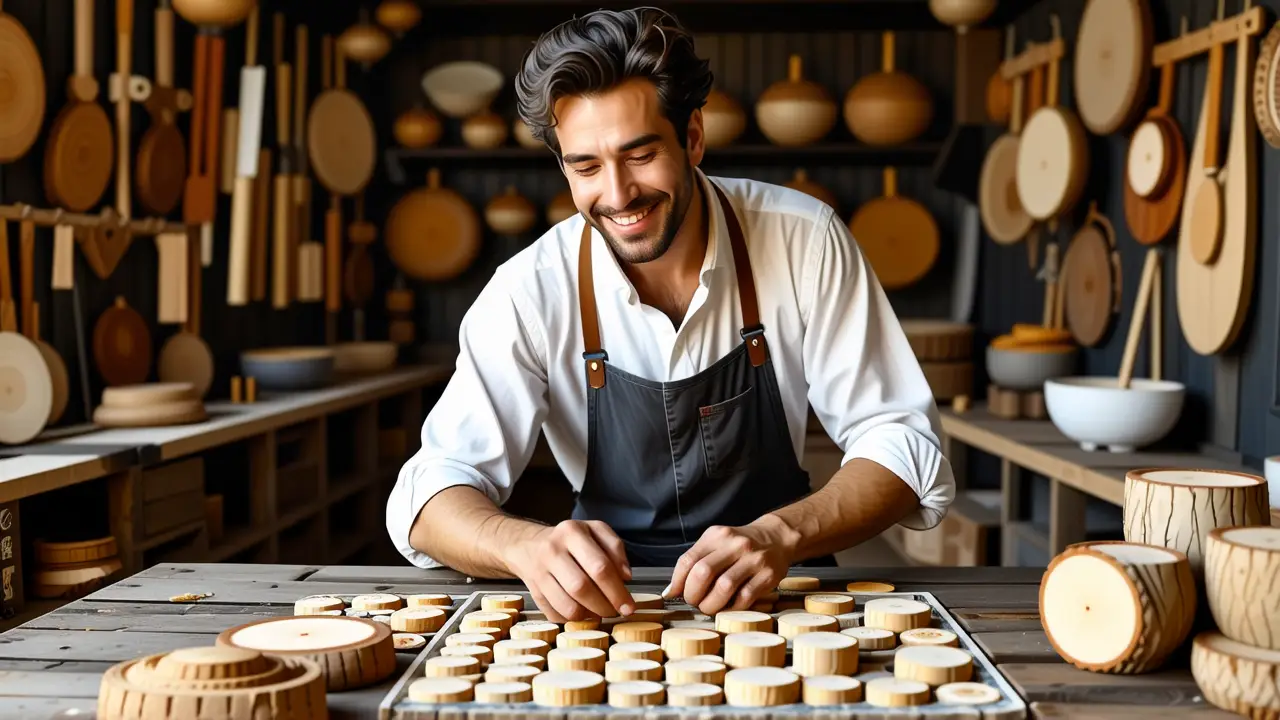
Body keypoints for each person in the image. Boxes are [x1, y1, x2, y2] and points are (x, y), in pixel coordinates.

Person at [386, 6, 955, 622]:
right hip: (609, 609)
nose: (618, 193)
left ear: (692, 137)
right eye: (586, 167)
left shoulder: (803, 240)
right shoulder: (530, 289)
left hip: (785, 592)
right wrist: (523, 545)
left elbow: (899, 440)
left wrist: (781, 535)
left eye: (639, 154)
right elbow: (429, 491)